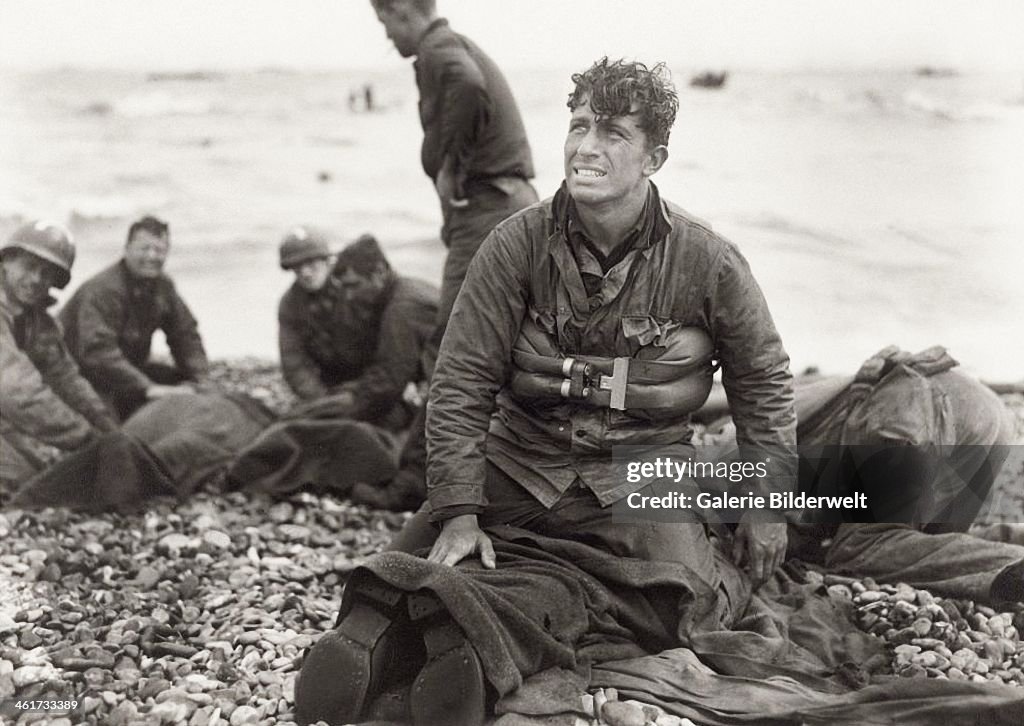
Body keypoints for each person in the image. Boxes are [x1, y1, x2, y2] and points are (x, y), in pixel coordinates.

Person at [297, 58, 797, 726]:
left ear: (655, 156)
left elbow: (762, 379)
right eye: (579, 124)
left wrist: (767, 506)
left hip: (638, 477)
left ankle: (466, 636)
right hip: (519, 464)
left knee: (679, 606)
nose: (585, 146)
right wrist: (459, 510)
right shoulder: (514, 246)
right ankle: (390, 643)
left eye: (612, 132)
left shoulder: (707, 261)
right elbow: (461, 381)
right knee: (409, 562)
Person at [366, 0, 540, 507]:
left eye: (384, 23)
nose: (387, 37)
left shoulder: (439, 51)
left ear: (402, 12)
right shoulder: (455, 44)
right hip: (508, 200)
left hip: (490, 208)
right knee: (508, 343)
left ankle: (415, 481)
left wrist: (450, 164)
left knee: (451, 346)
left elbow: (466, 85)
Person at [224, 229, 438, 501]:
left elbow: (393, 360)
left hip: (375, 383)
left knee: (399, 431)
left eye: (312, 264)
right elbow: (295, 364)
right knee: (314, 421)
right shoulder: (292, 305)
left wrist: (361, 400)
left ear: (327, 262)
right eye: (297, 267)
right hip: (343, 386)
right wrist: (325, 401)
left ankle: (403, 489)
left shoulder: (370, 291)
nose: (306, 273)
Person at [0, 221, 118, 494]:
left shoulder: (35, 320)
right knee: (21, 482)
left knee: (37, 473)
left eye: (46, 274)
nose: (35, 280)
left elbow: (65, 377)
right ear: (7, 261)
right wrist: (85, 438)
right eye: (29, 267)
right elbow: (17, 392)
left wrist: (109, 430)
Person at [59, 215, 210, 420]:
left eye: (159, 250)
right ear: (127, 248)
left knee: (192, 389)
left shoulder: (163, 286)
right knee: (109, 432)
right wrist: (146, 388)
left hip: (125, 371)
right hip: (80, 374)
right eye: (144, 248)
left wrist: (200, 379)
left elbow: (185, 334)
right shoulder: (104, 289)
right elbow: (98, 353)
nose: (152, 256)